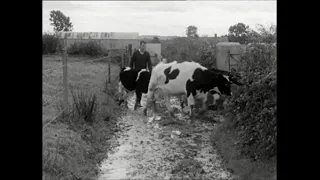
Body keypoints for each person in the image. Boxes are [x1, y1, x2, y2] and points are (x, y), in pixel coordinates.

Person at [129, 41, 152, 107]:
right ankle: (137, 100)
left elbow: (149, 64)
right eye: (142, 46)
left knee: (142, 86)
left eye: (144, 46)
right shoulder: (135, 53)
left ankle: (138, 101)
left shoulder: (147, 54)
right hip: (136, 72)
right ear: (140, 46)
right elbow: (131, 62)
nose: (143, 47)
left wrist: (150, 71)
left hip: (143, 72)